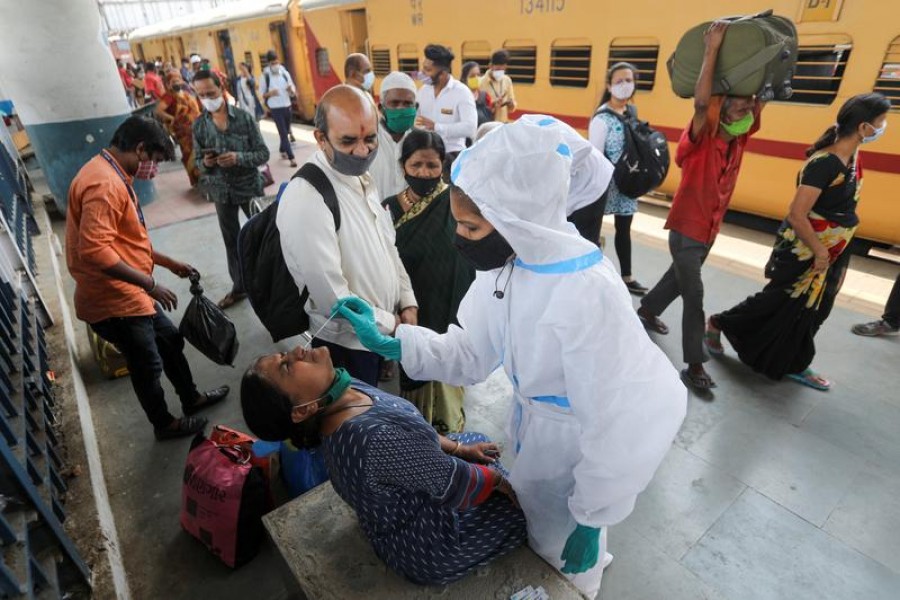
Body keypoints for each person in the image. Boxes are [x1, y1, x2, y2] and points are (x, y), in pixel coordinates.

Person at [334, 117, 686, 598]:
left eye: (469, 225)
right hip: (533, 431)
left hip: (574, 448)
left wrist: (593, 513)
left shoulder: (585, 292)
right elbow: (473, 350)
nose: (459, 235)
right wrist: (397, 339)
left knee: (567, 557)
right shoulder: (509, 265)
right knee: (538, 528)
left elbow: (623, 415)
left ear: (516, 219)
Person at [240, 344, 527, 584]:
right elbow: (452, 482)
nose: (298, 351)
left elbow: (413, 427)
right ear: (303, 410)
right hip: (430, 543)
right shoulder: (373, 440)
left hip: (397, 505)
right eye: (287, 367)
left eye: (284, 355)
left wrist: (459, 448)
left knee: (476, 442)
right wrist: (498, 482)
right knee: (529, 509)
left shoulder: (342, 388)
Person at [706, 93, 891, 390]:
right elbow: (797, 214)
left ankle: (794, 362)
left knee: (816, 308)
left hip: (834, 249)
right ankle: (718, 323)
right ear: (863, 128)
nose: (883, 128)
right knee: (777, 300)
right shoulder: (824, 164)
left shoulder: (853, 156)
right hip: (808, 249)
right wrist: (819, 251)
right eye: (880, 123)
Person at [65, 116, 229, 440]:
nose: (152, 168)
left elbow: (124, 242)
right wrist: (151, 284)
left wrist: (168, 263)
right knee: (147, 366)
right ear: (139, 148)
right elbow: (96, 252)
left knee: (169, 340)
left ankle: (191, 399)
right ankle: (164, 424)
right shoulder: (104, 185)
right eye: (153, 159)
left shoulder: (111, 172)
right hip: (115, 301)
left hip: (130, 293)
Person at [637, 21, 765, 391]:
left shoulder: (739, 141)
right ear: (721, 110)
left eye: (749, 105)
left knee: (678, 280)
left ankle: (646, 310)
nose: (746, 109)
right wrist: (712, 50)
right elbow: (700, 102)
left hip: (709, 230)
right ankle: (694, 364)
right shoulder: (701, 138)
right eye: (738, 104)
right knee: (694, 295)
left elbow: (761, 95)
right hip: (685, 229)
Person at [277, 85, 417, 386]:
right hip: (346, 346)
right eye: (349, 141)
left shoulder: (361, 178)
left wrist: (407, 300)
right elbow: (334, 298)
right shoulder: (308, 198)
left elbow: (387, 246)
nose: (363, 151)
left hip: (379, 333)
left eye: (370, 139)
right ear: (320, 138)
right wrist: (393, 323)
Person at [382, 130, 475, 433]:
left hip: (451, 304)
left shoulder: (456, 201)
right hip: (412, 305)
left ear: (443, 166)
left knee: (448, 361)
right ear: (403, 166)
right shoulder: (387, 208)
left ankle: (450, 429)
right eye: (416, 165)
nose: (424, 173)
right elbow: (384, 261)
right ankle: (420, 430)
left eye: (432, 166)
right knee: (416, 362)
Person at [191, 70, 271, 309]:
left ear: (221, 88)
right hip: (221, 192)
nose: (207, 98)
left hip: (249, 188)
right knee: (232, 242)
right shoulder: (199, 126)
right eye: (201, 94)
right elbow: (196, 162)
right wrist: (205, 164)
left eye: (211, 93)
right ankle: (240, 288)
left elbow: (263, 154)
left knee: (262, 238)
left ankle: (272, 284)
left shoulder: (244, 118)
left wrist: (238, 158)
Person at [589, 62, 648, 295]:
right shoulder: (601, 118)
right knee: (592, 229)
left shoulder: (631, 113)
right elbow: (594, 157)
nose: (625, 85)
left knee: (624, 229)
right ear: (609, 85)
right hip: (605, 184)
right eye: (619, 81)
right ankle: (592, 274)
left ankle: (627, 276)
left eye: (629, 80)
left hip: (628, 182)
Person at [415, 44, 476, 170]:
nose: (422, 73)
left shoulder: (462, 92)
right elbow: (417, 121)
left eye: (428, 70)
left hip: (453, 158)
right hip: (425, 155)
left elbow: (470, 128)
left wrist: (436, 127)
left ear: (442, 74)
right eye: (423, 68)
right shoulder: (423, 91)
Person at [370, 71, 418, 201]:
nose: (401, 109)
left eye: (408, 104)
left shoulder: (423, 143)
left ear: (416, 107)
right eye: (394, 103)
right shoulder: (367, 143)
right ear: (381, 108)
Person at [156, 70, 202, 187]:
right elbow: (158, 111)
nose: (177, 83)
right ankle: (195, 179)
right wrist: (173, 119)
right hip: (183, 132)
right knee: (188, 155)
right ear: (168, 84)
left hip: (197, 128)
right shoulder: (168, 96)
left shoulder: (186, 93)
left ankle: (203, 178)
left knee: (201, 152)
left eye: (178, 80)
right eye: (173, 81)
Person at [259, 49, 298, 167]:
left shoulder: (284, 73)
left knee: (285, 131)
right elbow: (262, 94)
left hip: (287, 105)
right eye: (272, 63)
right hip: (275, 108)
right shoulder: (265, 76)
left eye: (276, 62)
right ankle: (292, 158)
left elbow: (293, 89)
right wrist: (270, 93)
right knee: (283, 132)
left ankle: (282, 150)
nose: (275, 65)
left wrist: (291, 91)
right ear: (269, 64)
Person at [479, 50, 516, 123]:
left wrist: (511, 104)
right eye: (498, 69)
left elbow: (512, 107)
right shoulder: (481, 82)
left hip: (502, 123)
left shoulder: (507, 80)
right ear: (490, 66)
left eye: (503, 70)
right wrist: (493, 104)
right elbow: (479, 109)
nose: (501, 72)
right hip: (487, 124)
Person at [461, 61, 494, 128]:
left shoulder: (485, 96)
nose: (476, 78)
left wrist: (494, 107)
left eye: (478, 75)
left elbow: (490, 117)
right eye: (472, 76)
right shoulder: (460, 96)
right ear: (465, 78)